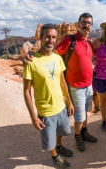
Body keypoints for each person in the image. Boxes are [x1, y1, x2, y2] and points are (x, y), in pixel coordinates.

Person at [24, 13, 98, 152]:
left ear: (92, 26)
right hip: (76, 86)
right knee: (79, 116)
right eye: (83, 22)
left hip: (88, 85)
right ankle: (78, 137)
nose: (86, 25)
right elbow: (51, 54)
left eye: (89, 23)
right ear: (78, 24)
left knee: (85, 113)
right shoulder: (70, 40)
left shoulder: (88, 42)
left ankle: (85, 132)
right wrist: (32, 54)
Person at [23, 24, 74, 168]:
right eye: (47, 36)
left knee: (64, 130)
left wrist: (69, 102)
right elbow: (26, 91)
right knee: (48, 142)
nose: (50, 40)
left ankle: (59, 146)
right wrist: (33, 117)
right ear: (41, 37)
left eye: (53, 37)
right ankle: (55, 156)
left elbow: (63, 82)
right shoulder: (31, 61)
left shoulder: (57, 58)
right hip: (45, 111)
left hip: (61, 107)